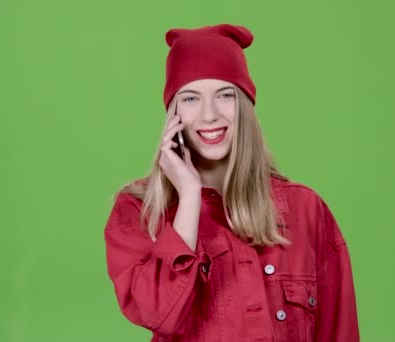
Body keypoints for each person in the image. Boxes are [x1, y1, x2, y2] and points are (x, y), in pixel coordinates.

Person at [103, 23, 359, 342]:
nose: (209, 115)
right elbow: (157, 313)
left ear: (245, 105)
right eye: (191, 98)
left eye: (225, 95)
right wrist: (190, 198)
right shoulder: (139, 211)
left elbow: (339, 331)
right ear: (173, 113)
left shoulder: (306, 209)